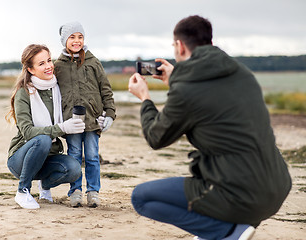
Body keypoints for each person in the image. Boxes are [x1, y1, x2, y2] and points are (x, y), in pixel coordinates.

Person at [128, 15, 291, 240]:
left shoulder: (187, 91)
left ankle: (227, 232)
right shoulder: (242, 74)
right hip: (277, 186)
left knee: (142, 198)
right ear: (210, 43)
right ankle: (225, 229)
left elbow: (156, 137)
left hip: (241, 195)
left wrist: (145, 99)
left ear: (180, 46)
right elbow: (209, 98)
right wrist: (177, 79)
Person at [6, 44, 85, 209]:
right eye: (41, 63)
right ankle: (22, 191)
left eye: (49, 60)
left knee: (74, 169)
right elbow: (28, 132)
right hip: (20, 160)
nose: (49, 66)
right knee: (42, 139)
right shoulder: (24, 93)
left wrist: (94, 121)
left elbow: (66, 125)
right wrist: (62, 128)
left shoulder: (57, 88)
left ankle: (45, 186)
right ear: (31, 69)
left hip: (49, 157)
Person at [54, 21, 116, 208]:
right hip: (71, 121)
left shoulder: (93, 62)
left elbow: (106, 90)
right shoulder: (58, 66)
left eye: (80, 37)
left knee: (91, 156)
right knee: (73, 155)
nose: (76, 41)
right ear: (65, 40)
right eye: (72, 37)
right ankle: (75, 191)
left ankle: (93, 192)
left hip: (93, 119)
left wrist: (110, 113)